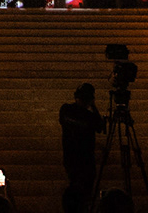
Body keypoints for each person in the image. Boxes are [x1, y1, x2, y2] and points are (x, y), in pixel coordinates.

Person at [59, 83, 105, 213]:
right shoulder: (85, 115)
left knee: (79, 191)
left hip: (75, 158)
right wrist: (94, 107)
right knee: (82, 193)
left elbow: (99, 127)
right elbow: (99, 126)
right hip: (81, 160)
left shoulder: (66, 110)